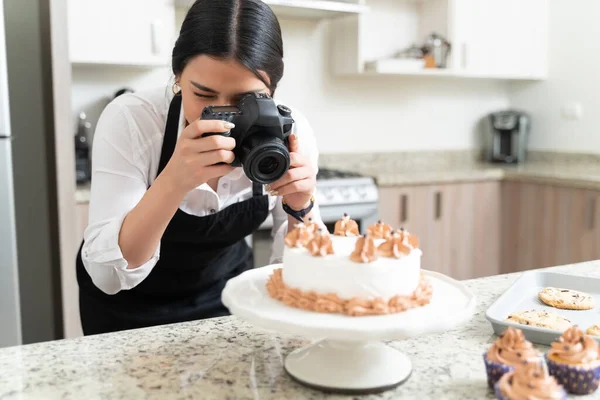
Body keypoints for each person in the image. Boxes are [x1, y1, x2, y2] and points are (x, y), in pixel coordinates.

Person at [76, 0, 322, 335]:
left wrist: (301, 206)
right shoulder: (133, 120)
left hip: (227, 300)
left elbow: (304, 280)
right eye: (203, 94)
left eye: (245, 101)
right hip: (129, 313)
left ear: (272, 91)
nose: (220, 115)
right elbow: (108, 277)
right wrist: (173, 181)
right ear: (177, 77)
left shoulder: (290, 130)